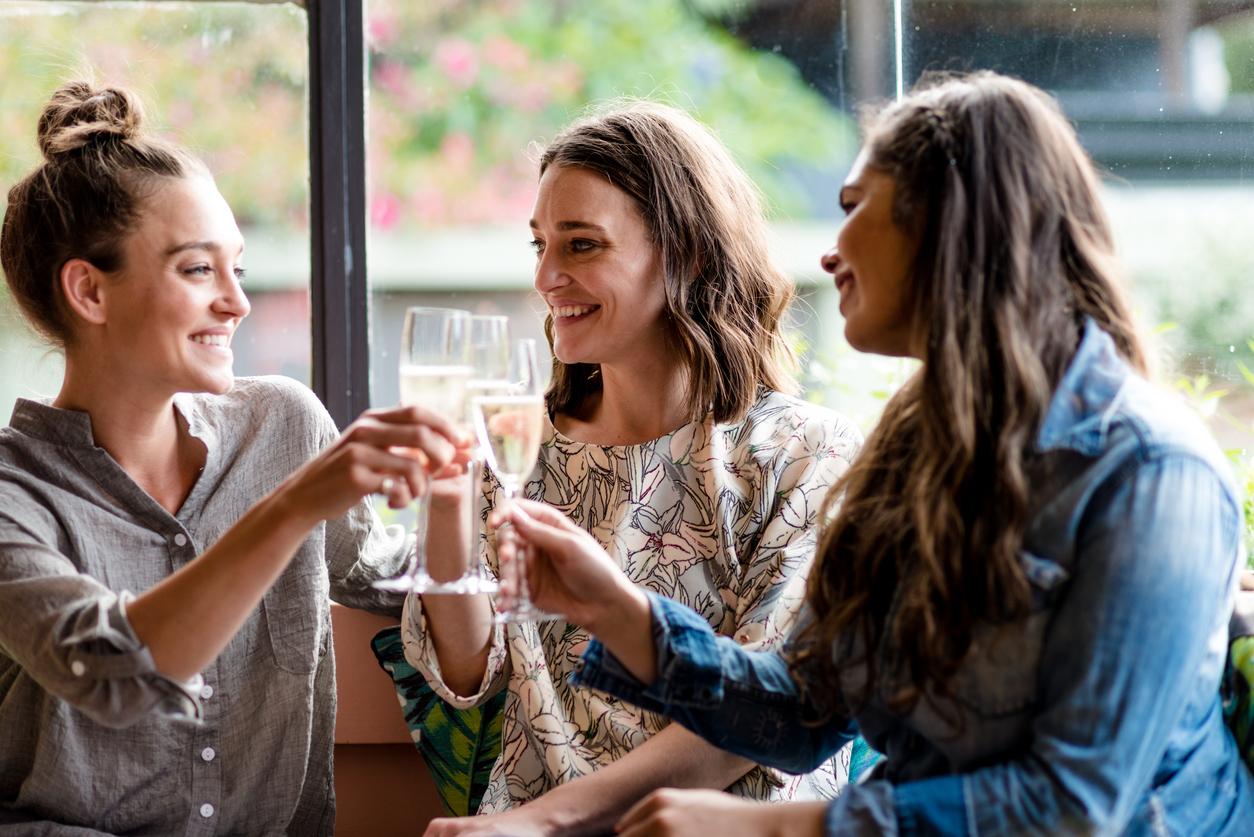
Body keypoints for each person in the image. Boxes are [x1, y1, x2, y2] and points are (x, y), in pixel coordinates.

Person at [494, 72, 1254, 836]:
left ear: (949, 225)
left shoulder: (1153, 473)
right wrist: (616, 610)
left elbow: (1072, 806)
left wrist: (777, 828)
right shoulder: (913, 448)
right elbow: (803, 709)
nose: (831, 254)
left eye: (855, 207)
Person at [0, 82, 471, 834]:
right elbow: (112, 671)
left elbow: (406, 585)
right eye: (197, 270)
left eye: (238, 269)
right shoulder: (14, 493)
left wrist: (459, 495)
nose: (236, 303)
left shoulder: (282, 426)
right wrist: (293, 507)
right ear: (89, 290)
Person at [403, 102, 864, 835]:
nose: (547, 276)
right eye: (539, 245)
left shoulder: (806, 453)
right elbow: (467, 676)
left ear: (690, 254)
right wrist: (446, 497)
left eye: (581, 244)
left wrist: (543, 821)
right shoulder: (512, 445)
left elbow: (759, 716)